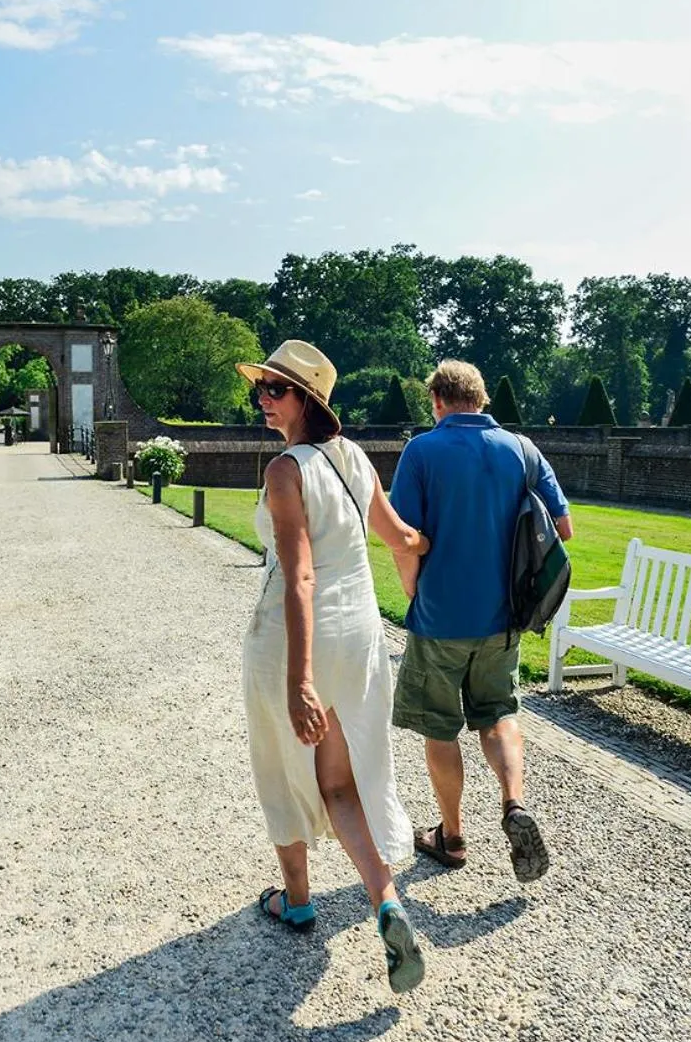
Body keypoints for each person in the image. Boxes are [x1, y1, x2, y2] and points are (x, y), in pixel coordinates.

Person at [238, 340, 433, 994]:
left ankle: (296, 900)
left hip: (297, 638)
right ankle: (387, 902)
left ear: (307, 401)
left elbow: (297, 578)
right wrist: (426, 565)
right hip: (360, 636)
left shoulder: (285, 471)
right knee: (342, 783)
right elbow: (399, 536)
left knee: (280, 768)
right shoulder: (355, 460)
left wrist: (299, 681)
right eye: (260, 388)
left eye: (275, 390)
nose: (262, 399)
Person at [389, 361, 572, 884]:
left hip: (441, 617)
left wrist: (413, 589)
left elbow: (406, 536)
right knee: (498, 715)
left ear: (438, 401)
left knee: (440, 728)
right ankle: (514, 804)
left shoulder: (422, 450)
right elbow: (563, 527)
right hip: (504, 618)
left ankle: (451, 836)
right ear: (482, 399)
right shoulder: (523, 449)